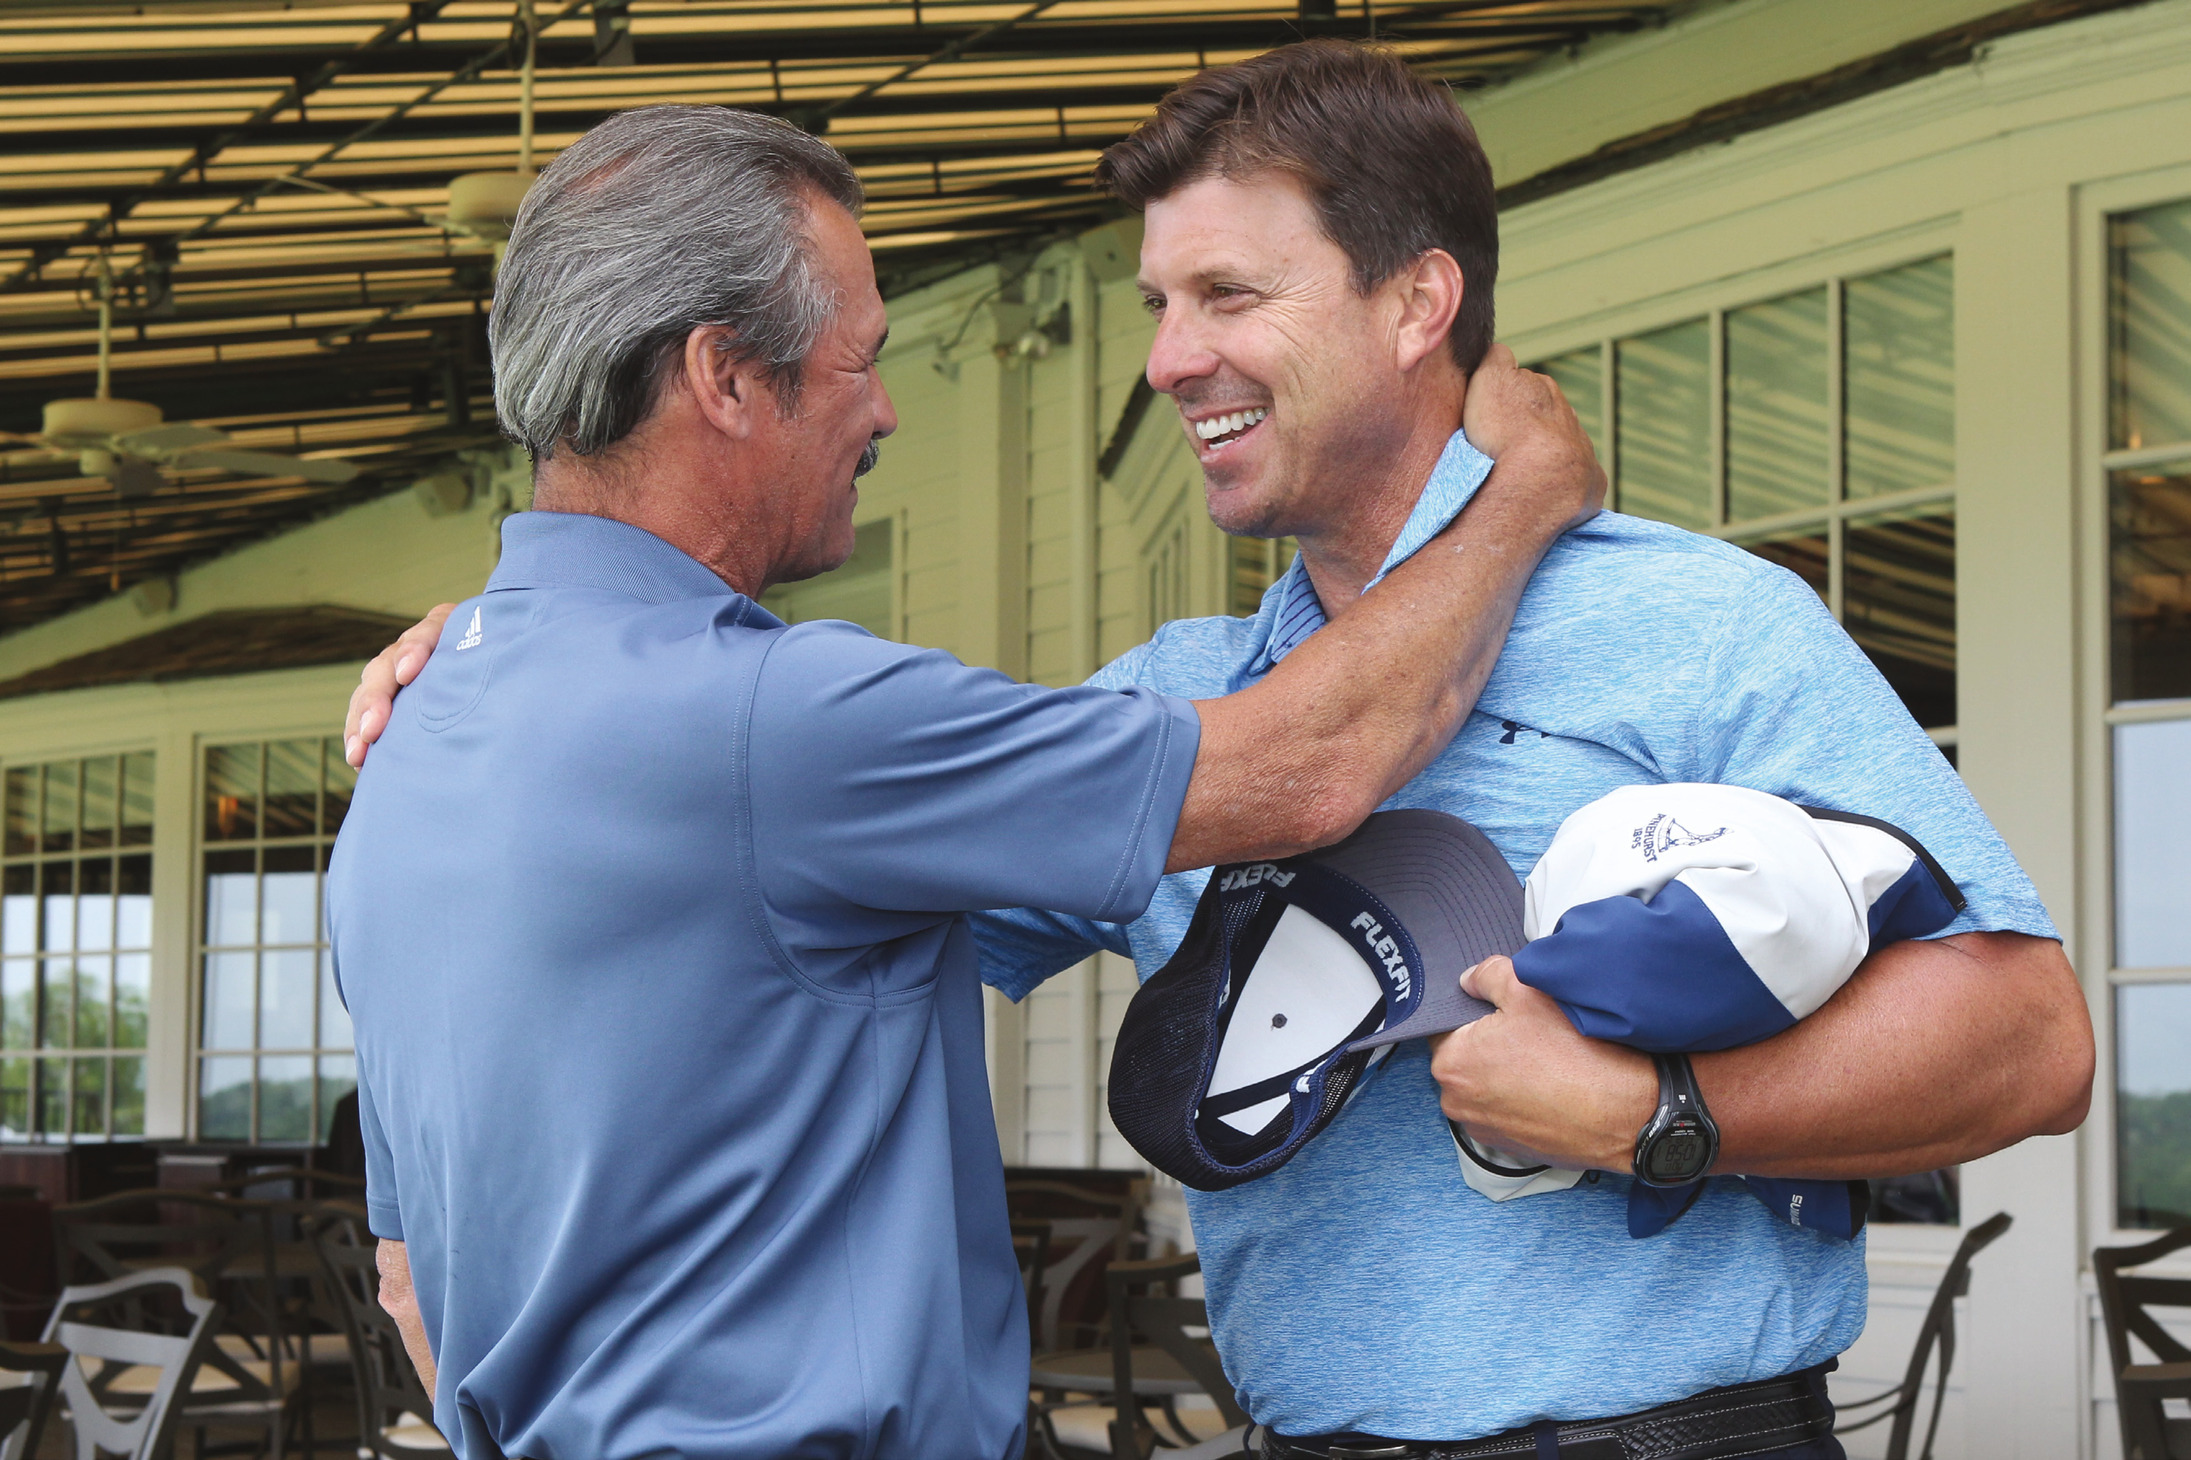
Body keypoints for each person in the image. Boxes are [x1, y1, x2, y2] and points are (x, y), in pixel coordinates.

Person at [351, 43, 2094, 1460]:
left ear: (1421, 304)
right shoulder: (1181, 700)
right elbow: (740, 889)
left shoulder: (1703, 627)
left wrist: (1662, 1115)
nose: (1173, 361)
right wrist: (535, 674)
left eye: (1229, 296)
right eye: (1158, 302)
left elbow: (2028, 1044)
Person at [326, 102, 1600, 1460]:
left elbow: (412, 1283)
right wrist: (1524, 493)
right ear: (726, 378)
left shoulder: (408, 754)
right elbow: (1313, 766)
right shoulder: (780, 719)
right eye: (857, 359)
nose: (880, 409)